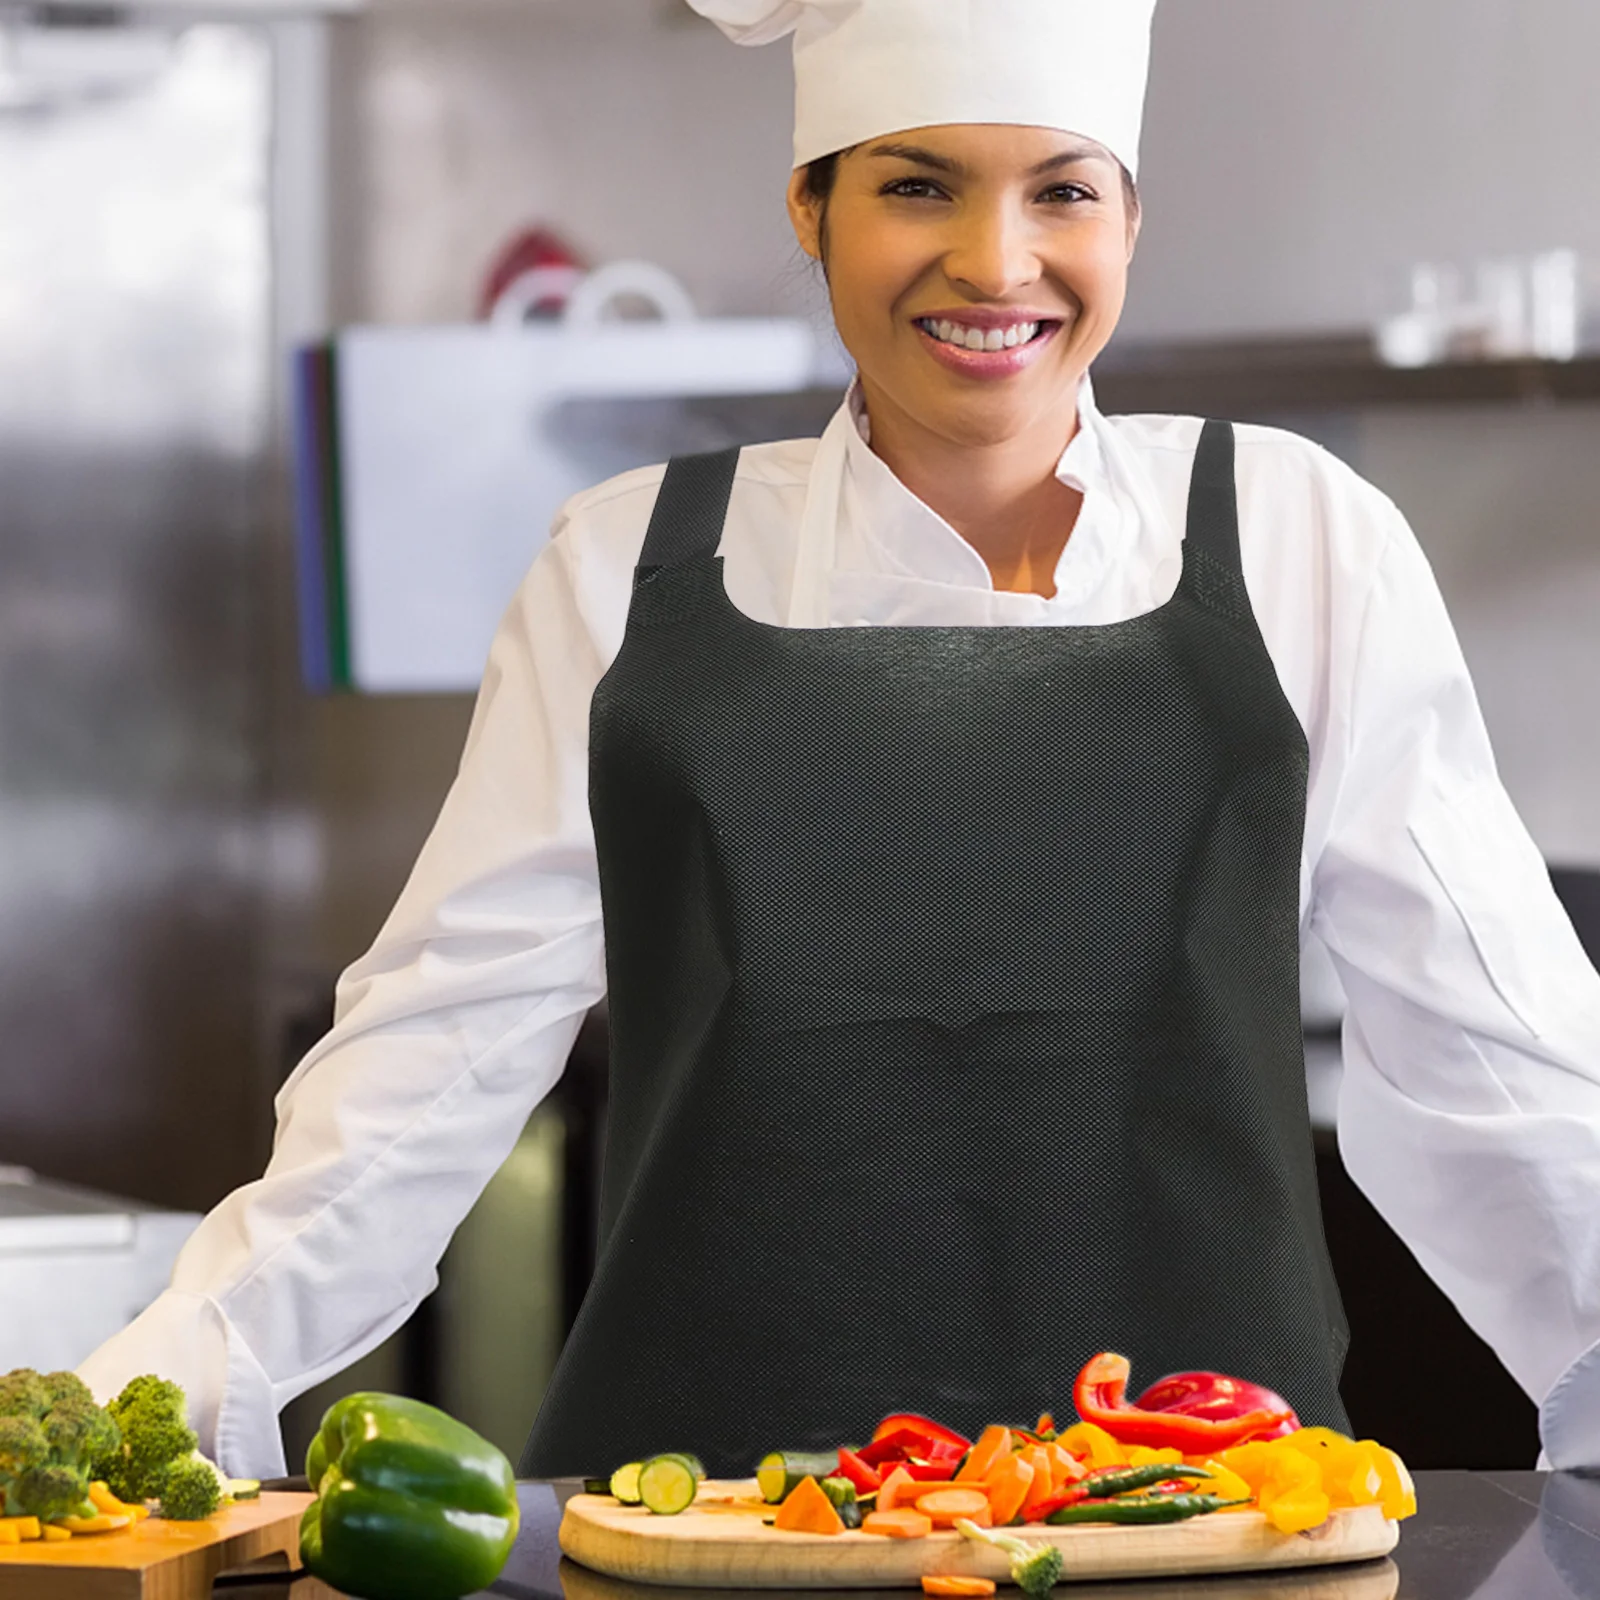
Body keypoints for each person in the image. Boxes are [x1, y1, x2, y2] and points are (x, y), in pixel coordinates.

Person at [82, 0, 1600, 1479]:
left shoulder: (1300, 538)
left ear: (1130, 220)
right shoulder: (629, 568)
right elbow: (436, 1046)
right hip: (701, 1517)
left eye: (1062, 191)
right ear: (810, 209)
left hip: (1208, 1506)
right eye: (916, 185)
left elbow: (1498, 1053)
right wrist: (171, 1381)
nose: (996, 261)